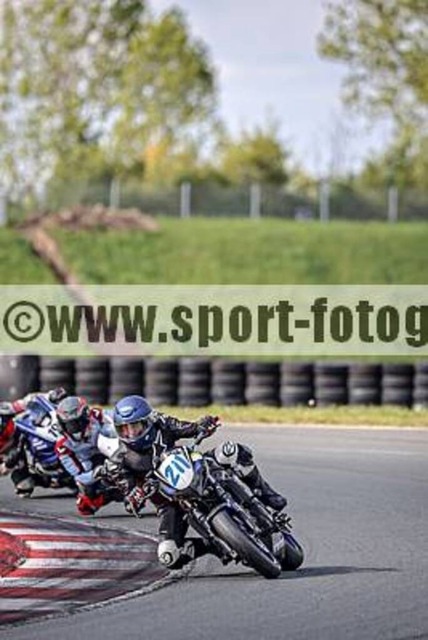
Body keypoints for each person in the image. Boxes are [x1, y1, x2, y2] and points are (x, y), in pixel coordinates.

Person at [109, 395, 287, 570]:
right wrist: (135, 497)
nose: (130, 434)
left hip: (193, 467)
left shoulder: (161, 423)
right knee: (168, 555)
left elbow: (186, 427)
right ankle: (212, 546)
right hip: (170, 503)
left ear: (148, 422)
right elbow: (128, 492)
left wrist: (202, 425)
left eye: (135, 427)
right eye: (124, 429)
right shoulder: (119, 460)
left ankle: (265, 493)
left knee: (230, 451)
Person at [55, 396, 122, 516]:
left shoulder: (97, 415)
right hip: (94, 466)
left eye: (79, 422)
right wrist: (98, 472)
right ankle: (114, 493)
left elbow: (119, 418)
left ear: (86, 416)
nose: (75, 428)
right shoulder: (63, 446)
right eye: (70, 425)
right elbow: (78, 476)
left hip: (115, 449)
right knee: (85, 506)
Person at [0, 388, 68, 495]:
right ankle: (50, 480)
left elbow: (26, 401)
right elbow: (3, 470)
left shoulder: (3, 410)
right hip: (17, 455)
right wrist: (7, 464)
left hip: (28, 430)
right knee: (24, 484)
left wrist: (49, 395)